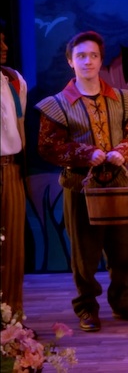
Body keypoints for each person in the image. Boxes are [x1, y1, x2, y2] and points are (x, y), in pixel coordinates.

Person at [36, 31, 128, 332]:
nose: (88, 61)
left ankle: (122, 301)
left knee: (123, 251)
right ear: (70, 61)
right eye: (81, 56)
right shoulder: (57, 105)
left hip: (117, 187)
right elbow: (48, 146)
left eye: (94, 56)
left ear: (101, 60)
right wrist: (86, 153)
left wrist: (122, 151)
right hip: (80, 186)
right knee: (84, 254)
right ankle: (87, 306)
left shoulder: (123, 100)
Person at [0, 19, 28, 315]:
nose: (5, 47)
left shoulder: (13, 80)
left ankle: (12, 317)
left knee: (12, 247)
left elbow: (18, 129)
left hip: (9, 169)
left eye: (5, 39)